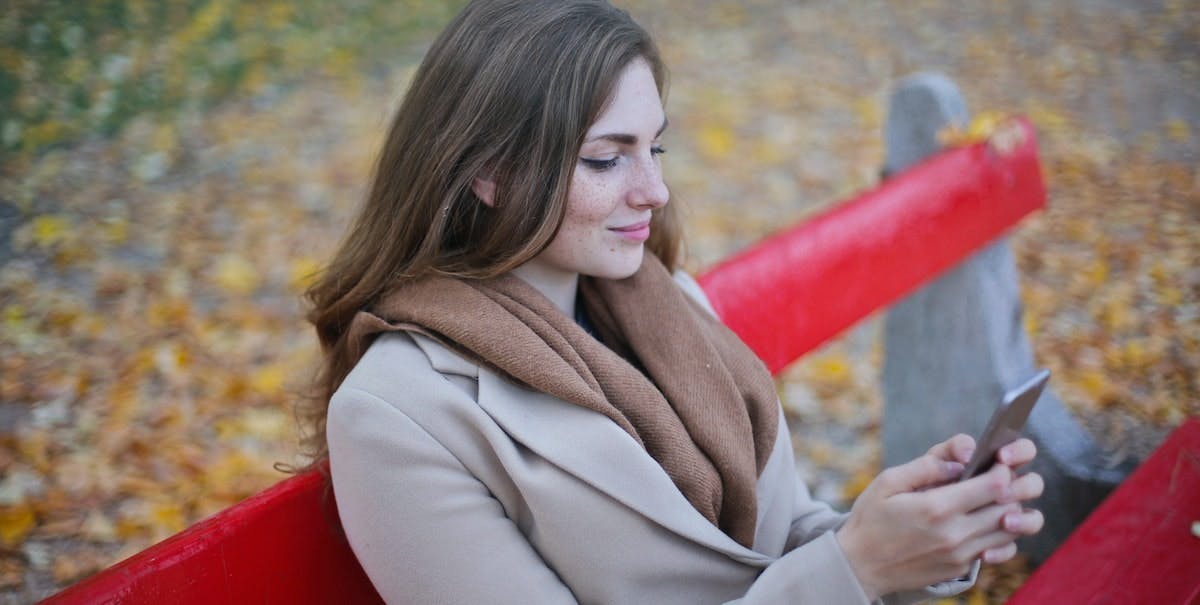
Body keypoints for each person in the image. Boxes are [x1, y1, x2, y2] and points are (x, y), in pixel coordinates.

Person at [302, 1, 1045, 603]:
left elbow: (778, 542)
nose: (653, 190)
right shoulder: (398, 412)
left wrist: (917, 531)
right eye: (606, 157)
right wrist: (856, 565)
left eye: (654, 148)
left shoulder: (668, 304)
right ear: (489, 174)